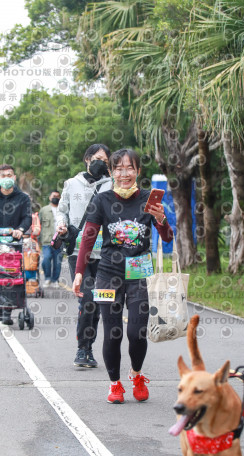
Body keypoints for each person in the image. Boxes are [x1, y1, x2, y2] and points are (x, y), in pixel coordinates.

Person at [73, 148, 174, 404]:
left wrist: (161, 219)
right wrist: (79, 273)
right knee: (113, 331)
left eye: (130, 168)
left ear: (138, 171)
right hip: (108, 272)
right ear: (111, 172)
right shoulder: (102, 200)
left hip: (139, 269)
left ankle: (137, 374)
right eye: (118, 168)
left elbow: (168, 238)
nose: (124, 173)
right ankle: (115, 384)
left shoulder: (148, 200)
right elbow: (88, 238)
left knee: (137, 332)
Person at [57, 144, 112, 368]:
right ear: (87, 159)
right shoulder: (71, 184)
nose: (102, 163)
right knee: (87, 298)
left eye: (106, 161)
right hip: (79, 252)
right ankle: (83, 348)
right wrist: (61, 225)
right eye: (98, 159)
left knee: (99, 302)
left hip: (106, 254)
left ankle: (89, 348)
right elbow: (62, 210)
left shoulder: (112, 184)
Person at [0, 164, 32, 325]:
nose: (6, 178)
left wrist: (21, 229)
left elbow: (27, 217)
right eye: (3, 175)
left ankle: (8, 310)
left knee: (13, 273)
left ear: (14, 177)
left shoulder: (22, 198)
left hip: (14, 243)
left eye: (9, 175)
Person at [39, 190, 62, 288]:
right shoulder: (44, 210)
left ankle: (55, 280)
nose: (55, 198)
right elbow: (39, 224)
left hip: (60, 241)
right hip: (47, 240)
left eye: (57, 196)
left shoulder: (62, 210)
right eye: (54, 196)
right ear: (50, 197)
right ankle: (47, 278)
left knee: (58, 262)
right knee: (46, 259)